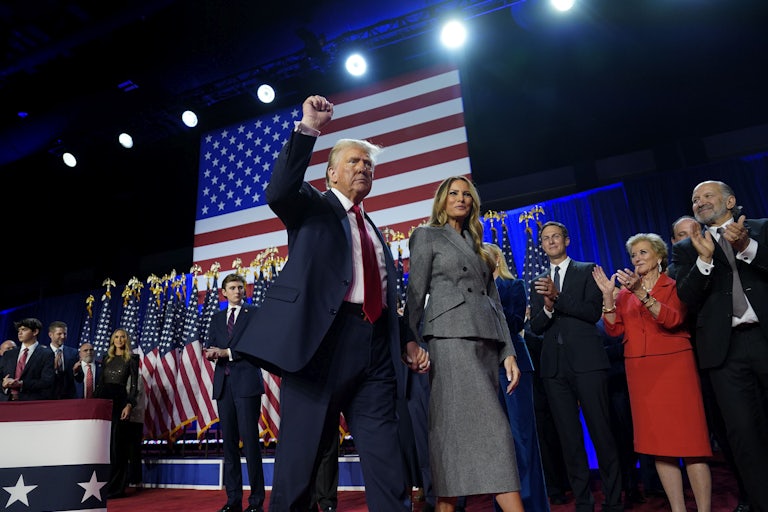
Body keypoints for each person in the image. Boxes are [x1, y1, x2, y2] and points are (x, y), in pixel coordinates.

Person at [234, 94, 429, 512]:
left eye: (369, 165)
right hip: (321, 344)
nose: (364, 168)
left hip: (376, 347)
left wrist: (407, 340)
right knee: (301, 460)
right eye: (355, 162)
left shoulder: (374, 230)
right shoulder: (311, 207)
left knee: (385, 454)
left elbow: (387, 295)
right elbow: (279, 188)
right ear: (331, 173)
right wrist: (309, 128)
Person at [402, 175, 524, 512]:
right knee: (477, 433)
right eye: (453, 193)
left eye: (466, 195)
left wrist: (508, 351)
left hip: (485, 343)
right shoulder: (426, 236)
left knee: (471, 434)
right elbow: (415, 293)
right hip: (449, 340)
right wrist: (409, 340)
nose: (461, 199)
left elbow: (494, 300)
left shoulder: (479, 244)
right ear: (442, 201)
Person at [593, 233, 712, 512]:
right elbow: (614, 330)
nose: (637, 259)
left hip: (674, 369)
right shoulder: (624, 293)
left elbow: (673, 319)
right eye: (634, 255)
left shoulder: (673, 285)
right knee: (660, 446)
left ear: (659, 257)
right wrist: (608, 299)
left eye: (643, 253)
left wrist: (641, 293)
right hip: (640, 372)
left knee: (691, 444)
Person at [670, 180, 768, 511]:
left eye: (707, 196)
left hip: (764, 337)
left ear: (730, 201)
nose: (699, 202)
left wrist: (747, 248)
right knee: (742, 435)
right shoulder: (687, 248)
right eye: (695, 199)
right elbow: (685, 297)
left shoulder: (760, 228)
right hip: (724, 352)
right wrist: (704, 262)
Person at [528, 221, 623, 512]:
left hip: (587, 363)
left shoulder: (587, 269)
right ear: (542, 245)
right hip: (554, 370)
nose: (551, 241)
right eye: (546, 238)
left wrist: (557, 298)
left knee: (601, 433)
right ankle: (583, 502)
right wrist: (545, 307)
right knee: (569, 439)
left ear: (566, 241)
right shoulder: (538, 279)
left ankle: (614, 500)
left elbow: (592, 312)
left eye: (556, 236)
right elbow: (536, 327)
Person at [486, 242, 550, 512]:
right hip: (486, 369)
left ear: (496, 260)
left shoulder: (514, 286)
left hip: (514, 365)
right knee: (498, 443)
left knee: (522, 440)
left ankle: (532, 504)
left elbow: (512, 323)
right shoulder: (473, 291)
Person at [204, 272, 266, 512]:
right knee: (229, 446)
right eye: (233, 287)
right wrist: (211, 353)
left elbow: (257, 346)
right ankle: (233, 501)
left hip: (247, 385)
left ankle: (256, 502)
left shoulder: (255, 314)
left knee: (250, 444)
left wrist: (227, 353)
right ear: (224, 292)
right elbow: (211, 344)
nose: (238, 291)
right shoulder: (217, 318)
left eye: (241, 287)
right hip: (223, 387)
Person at [94, 328, 140, 500]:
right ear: (112, 340)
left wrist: (129, 404)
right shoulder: (106, 358)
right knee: (104, 446)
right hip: (103, 402)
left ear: (126, 340)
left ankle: (116, 488)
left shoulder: (132, 359)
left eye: (122, 337)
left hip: (120, 403)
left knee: (117, 446)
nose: (119, 340)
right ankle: (102, 486)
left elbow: (134, 386)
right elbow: (100, 384)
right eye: (116, 337)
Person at [1, 317, 55, 401]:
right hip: (6, 401)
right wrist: (3, 385)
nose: (20, 333)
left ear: (35, 332)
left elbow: (47, 381)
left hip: (31, 402)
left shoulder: (46, 354)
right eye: (19, 330)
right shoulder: (9, 354)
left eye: (24, 329)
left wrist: (21, 384)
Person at [48, 320, 78, 399]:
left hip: (69, 397)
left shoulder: (74, 353)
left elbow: (80, 378)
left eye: (65, 334)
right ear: (50, 335)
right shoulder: (42, 353)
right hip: (49, 396)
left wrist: (76, 372)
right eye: (59, 334)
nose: (63, 336)